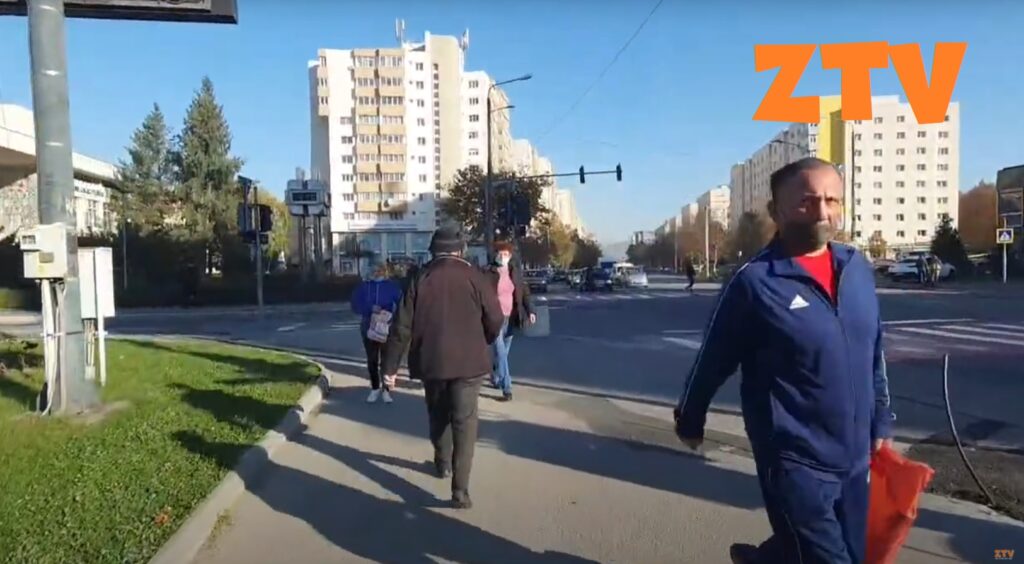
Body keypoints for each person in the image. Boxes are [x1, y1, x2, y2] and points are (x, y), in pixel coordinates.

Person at [673, 157, 895, 564]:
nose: (822, 212)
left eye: (832, 200)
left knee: (853, 554)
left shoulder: (857, 268)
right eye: (807, 201)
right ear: (776, 211)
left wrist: (881, 418)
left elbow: (873, 350)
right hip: (795, 462)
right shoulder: (754, 281)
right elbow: (712, 359)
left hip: (855, 457)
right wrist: (690, 419)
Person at [381, 227, 505, 509]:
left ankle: (443, 461)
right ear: (461, 250)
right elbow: (495, 318)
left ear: (433, 251)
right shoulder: (476, 276)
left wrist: (390, 368)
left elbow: (401, 326)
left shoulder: (420, 278)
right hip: (469, 362)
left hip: (431, 361)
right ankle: (460, 491)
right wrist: (483, 338)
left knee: (437, 415)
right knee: (465, 422)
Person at [483, 240, 536, 401]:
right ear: (495, 255)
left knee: (504, 352)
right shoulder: (488, 272)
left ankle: (496, 373)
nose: (502, 257)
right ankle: (507, 388)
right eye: (500, 254)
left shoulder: (514, 272)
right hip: (495, 317)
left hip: (512, 317)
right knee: (500, 352)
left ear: (510, 256)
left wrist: (530, 310)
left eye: (506, 254)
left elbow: (524, 292)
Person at [350, 262, 403, 403]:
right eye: (375, 270)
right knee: (372, 360)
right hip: (369, 328)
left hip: (387, 328)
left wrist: (391, 314)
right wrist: (369, 308)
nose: (378, 273)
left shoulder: (392, 287)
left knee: (386, 360)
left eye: (380, 270)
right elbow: (355, 305)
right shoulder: (363, 287)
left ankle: (386, 390)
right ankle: (374, 388)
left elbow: (401, 305)